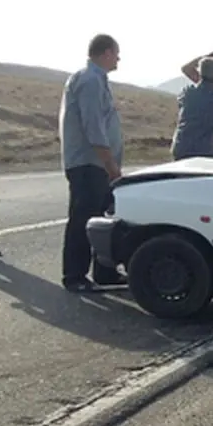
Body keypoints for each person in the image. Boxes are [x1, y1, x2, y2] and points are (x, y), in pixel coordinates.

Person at [58, 33, 127, 292]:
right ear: (106, 52)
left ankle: (104, 272)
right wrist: (111, 166)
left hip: (95, 163)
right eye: (116, 53)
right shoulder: (89, 81)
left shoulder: (97, 80)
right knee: (83, 218)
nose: (118, 58)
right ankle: (74, 275)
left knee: (102, 217)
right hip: (89, 163)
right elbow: (93, 126)